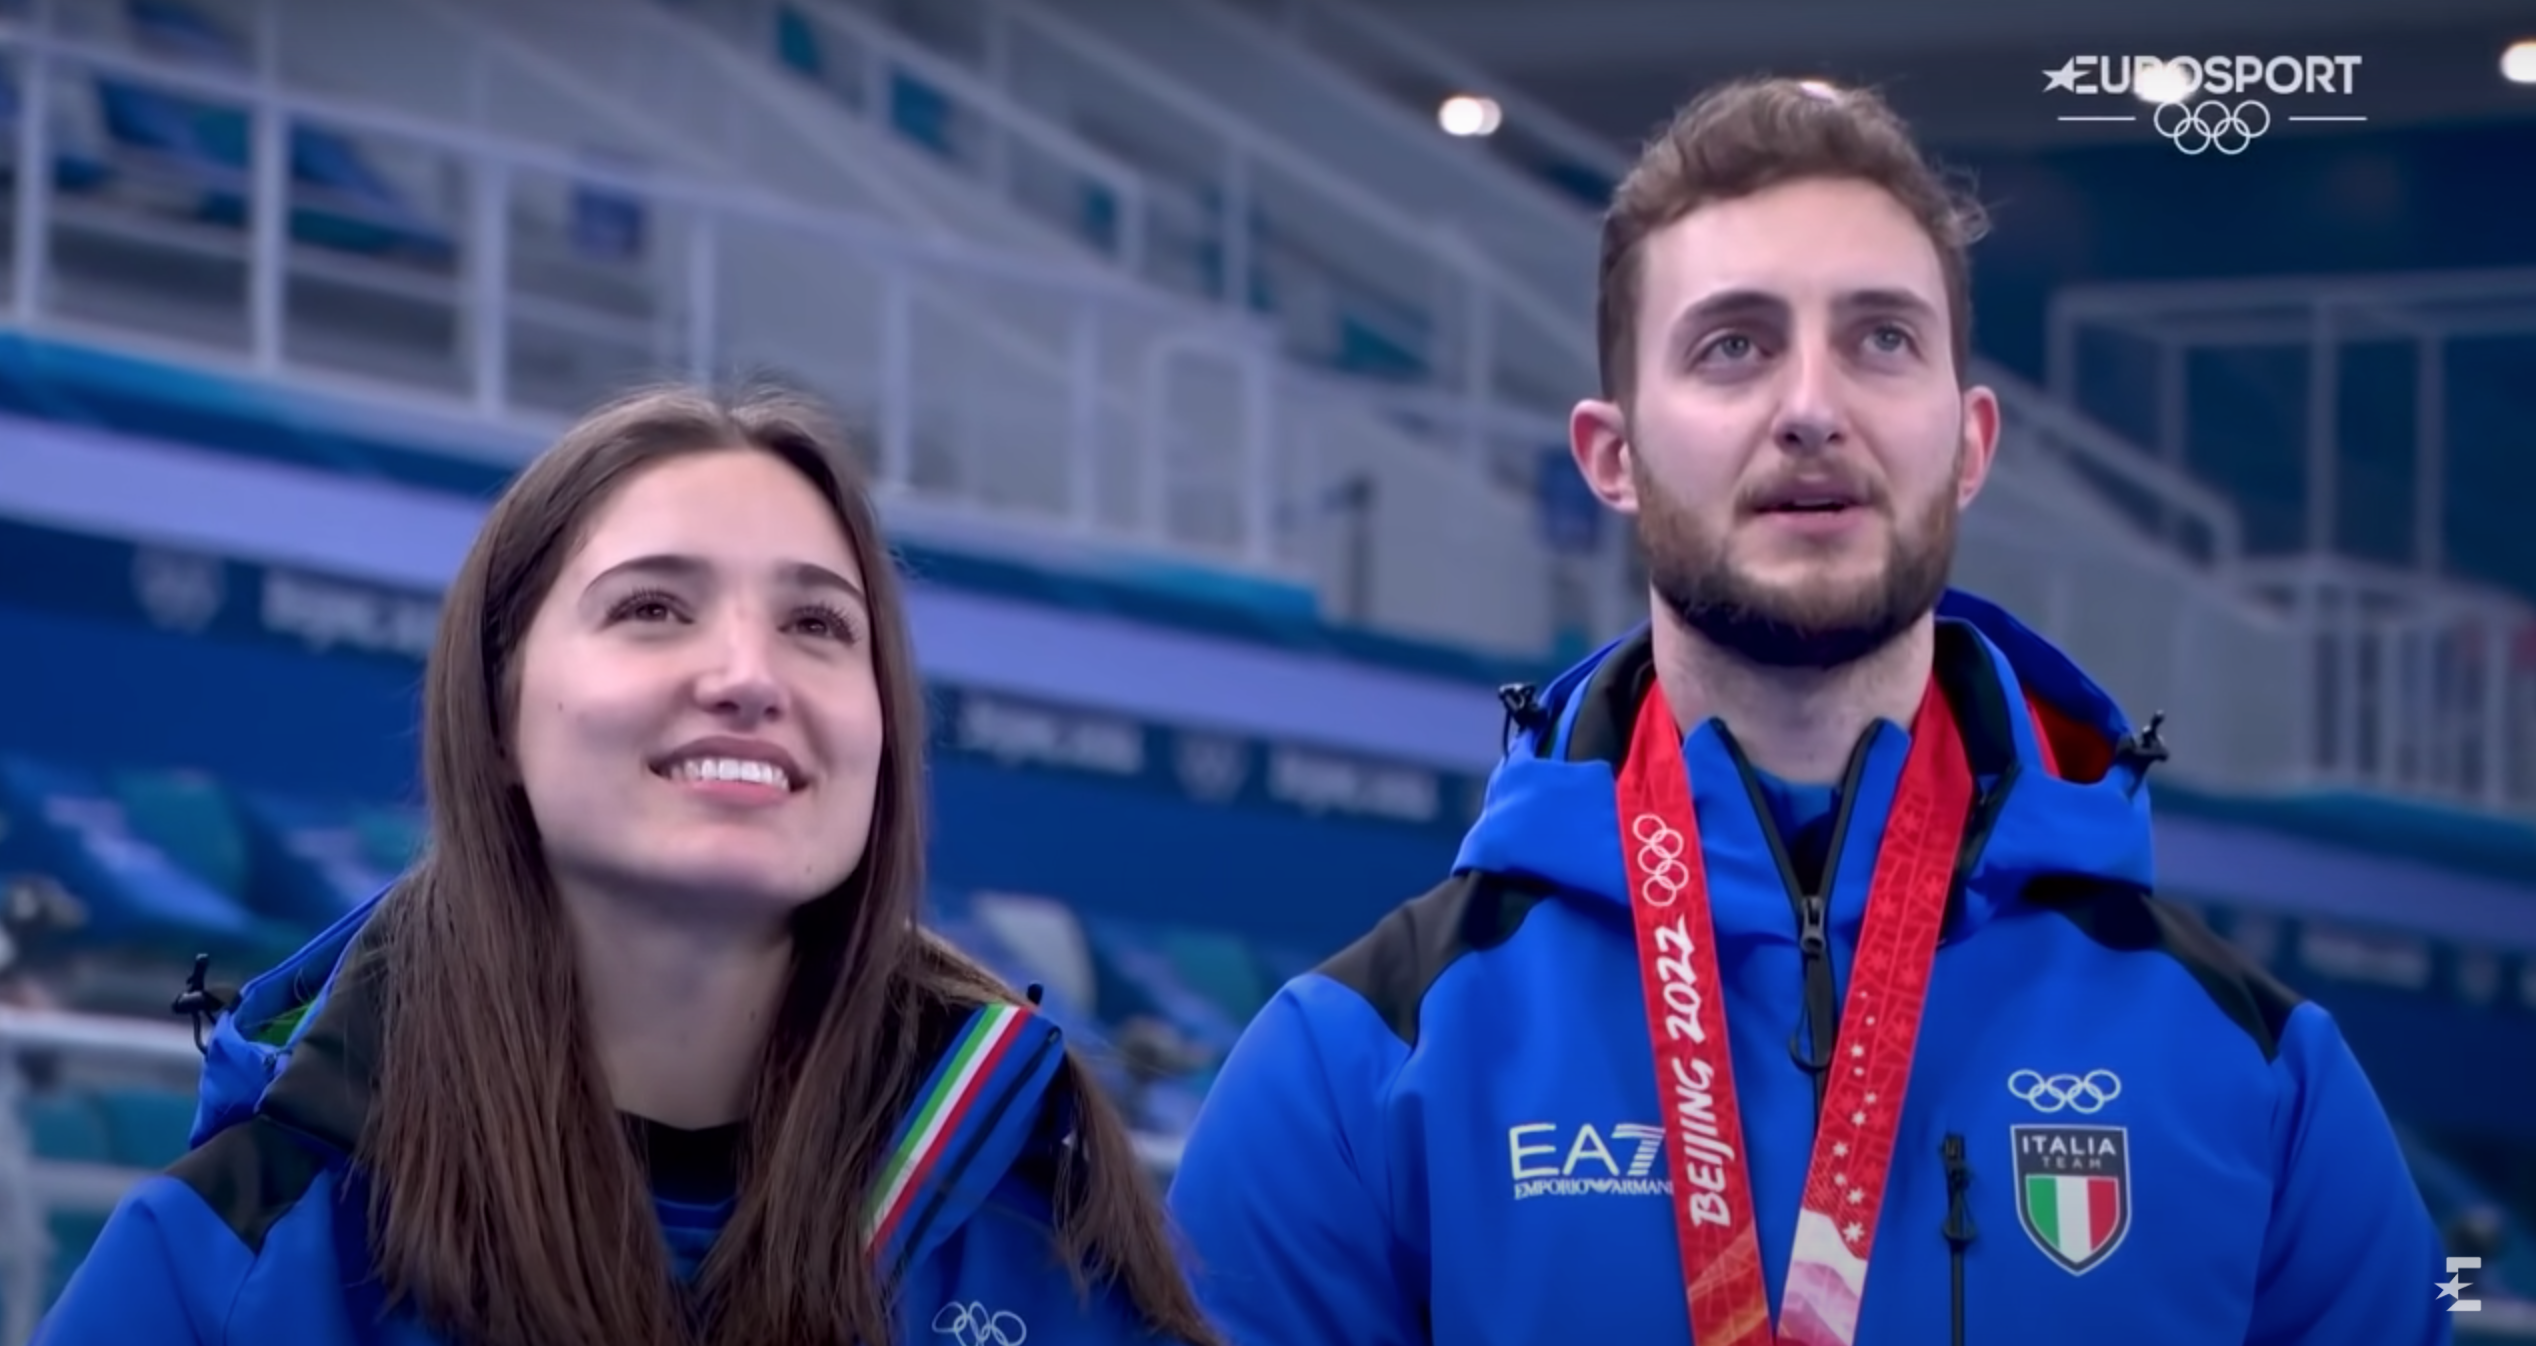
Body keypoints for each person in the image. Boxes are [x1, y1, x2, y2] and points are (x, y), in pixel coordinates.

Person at [1166, 78, 2450, 1346]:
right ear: (1611, 457)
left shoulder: (2264, 1079)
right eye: (1734, 344)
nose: (1812, 408)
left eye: (1881, 338)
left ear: (1969, 441)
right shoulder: (1351, 1069)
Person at [39, 384, 1223, 1346]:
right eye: (654, 606)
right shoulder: (237, 1262)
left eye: (818, 625)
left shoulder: (1045, 1228)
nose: (748, 675)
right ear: (497, 714)